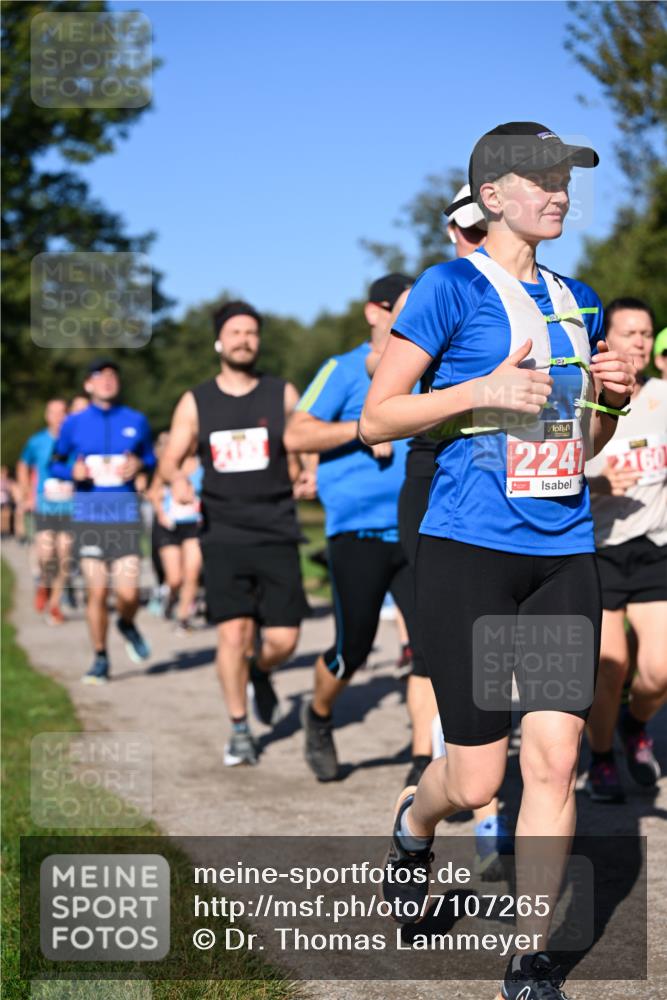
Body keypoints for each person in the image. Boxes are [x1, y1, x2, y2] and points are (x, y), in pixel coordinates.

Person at [360, 122, 634, 1000]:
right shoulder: (447, 288)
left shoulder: (578, 299)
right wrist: (479, 388)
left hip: (561, 551)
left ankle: (528, 959)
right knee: (478, 779)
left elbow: (579, 445)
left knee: (551, 759)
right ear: (490, 196)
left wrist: (612, 405)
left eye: (565, 180)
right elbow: (376, 416)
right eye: (540, 179)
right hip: (467, 550)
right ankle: (413, 824)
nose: (558, 193)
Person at [378, 185, 513, 878]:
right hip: (436, 475)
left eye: (485, 227)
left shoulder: (538, 295)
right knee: (448, 649)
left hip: (512, 479)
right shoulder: (438, 291)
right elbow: (382, 387)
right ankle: (452, 793)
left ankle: (485, 801)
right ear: (452, 230)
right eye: (468, 228)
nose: (476, 238)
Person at [159, 300, 311, 767]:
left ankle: (259, 670)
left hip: (277, 526)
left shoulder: (282, 393)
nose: (244, 340)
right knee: (232, 633)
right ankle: (240, 728)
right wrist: (177, 479)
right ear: (219, 342)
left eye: (251, 333)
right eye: (236, 333)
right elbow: (170, 459)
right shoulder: (196, 400)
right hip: (223, 531)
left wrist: (309, 469)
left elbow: (307, 436)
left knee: (284, 640)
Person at [284, 273, 415, 782]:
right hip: (359, 532)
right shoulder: (341, 369)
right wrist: (364, 428)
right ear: (374, 312)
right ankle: (318, 716)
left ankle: (427, 760)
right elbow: (296, 432)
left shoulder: (425, 368)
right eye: (401, 306)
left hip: (421, 529)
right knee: (352, 649)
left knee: (430, 648)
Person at [584, 298, 666, 801]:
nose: (638, 341)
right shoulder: (582, 398)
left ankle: (633, 725)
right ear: (606, 340)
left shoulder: (663, 397)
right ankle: (600, 760)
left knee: (659, 671)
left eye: (646, 333)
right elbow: (550, 471)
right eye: (628, 332)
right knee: (609, 666)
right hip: (599, 551)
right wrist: (596, 485)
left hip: (654, 549)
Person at [50, 359, 155, 683]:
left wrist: (140, 465)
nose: (107, 381)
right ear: (89, 384)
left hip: (124, 516)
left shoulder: (135, 420)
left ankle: (126, 622)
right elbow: (55, 462)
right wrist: (72, 471)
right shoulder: (74, 423)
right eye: (100, 376)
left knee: (129, 594)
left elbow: (151, 458)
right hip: (89, 517)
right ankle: (100, 657)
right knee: (97, 592)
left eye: (112, 376)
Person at [17, 399, 73, 625]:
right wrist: (26, 494)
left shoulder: (74, 440)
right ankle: (43, 583)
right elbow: (23, 465)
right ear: (47, 416)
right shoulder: (37, 441)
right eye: (55, 413)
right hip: (45, 506)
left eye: (63, 413)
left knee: (65, 555)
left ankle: (55, 604)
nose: (59, 417)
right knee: (47, 555)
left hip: (70, 507)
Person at [149, 435, 203, 633]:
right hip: (169, 526)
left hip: (195, 524)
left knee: (192, 573)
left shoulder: (202, 465)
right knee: (175, 578)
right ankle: (170, 598)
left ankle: (183, 618)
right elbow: (153, 492)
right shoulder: (167, 465)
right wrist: (160, 512)